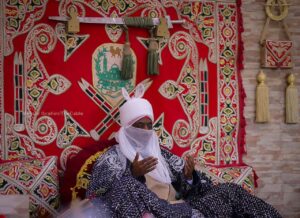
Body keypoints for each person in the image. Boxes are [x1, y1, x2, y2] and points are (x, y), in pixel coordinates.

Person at [86, 84, 282, 218]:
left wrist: (188, 177)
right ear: (127, 128)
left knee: (229, 190)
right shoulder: (112, 158)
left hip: (185, 211)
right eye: (139, 126)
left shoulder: (162, 155)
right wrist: (133, 175)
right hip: (152, 212)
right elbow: (97, 199)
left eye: (149, 125)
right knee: (125, 185)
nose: (145, 131)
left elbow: (190, 191)